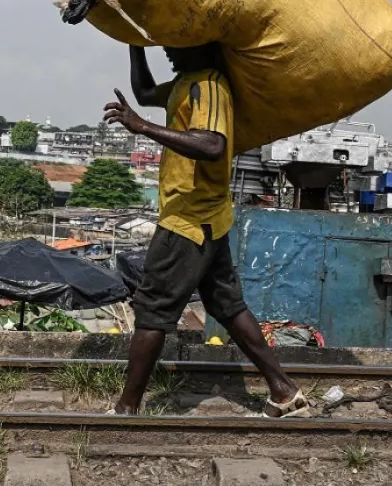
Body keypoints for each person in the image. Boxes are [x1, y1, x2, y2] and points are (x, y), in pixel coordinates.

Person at [102, 43, 311, 417]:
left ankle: (126, 410)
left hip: (189, 219)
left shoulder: (210, 86)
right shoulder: (186, 81)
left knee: (151, 309)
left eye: (177, 42)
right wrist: (135, 44)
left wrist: (142, 126)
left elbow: (213, 144)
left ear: (203, 44)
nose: (169, 49)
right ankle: (284, 391)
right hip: (208, 217)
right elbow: (146, 93)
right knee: (226, 306)